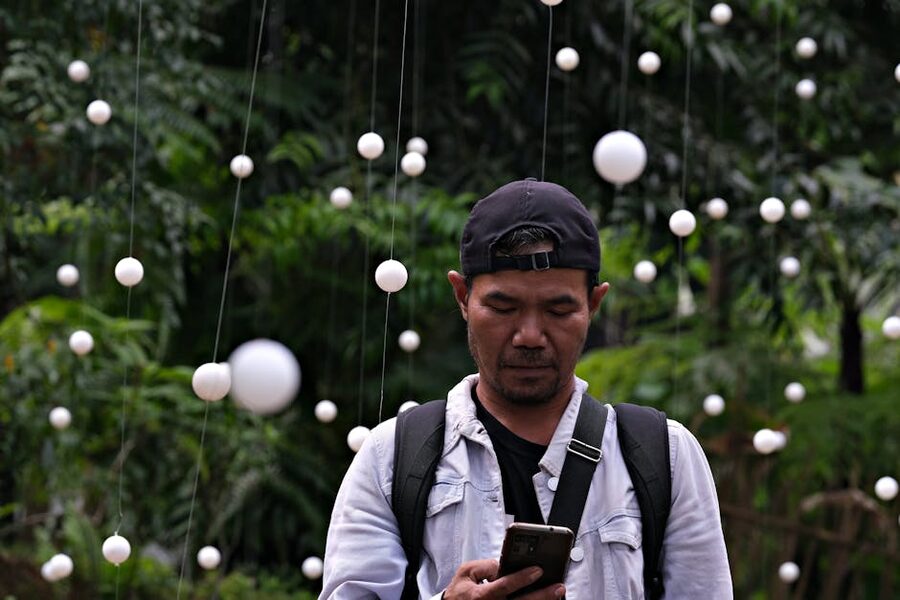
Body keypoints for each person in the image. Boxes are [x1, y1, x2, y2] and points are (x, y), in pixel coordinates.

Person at [320, 179, 732, 599]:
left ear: (594, 304)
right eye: (503, 307)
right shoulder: (392, 456)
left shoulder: (665, 455)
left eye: (558, 309)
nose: (530, 335)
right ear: (462, 297)